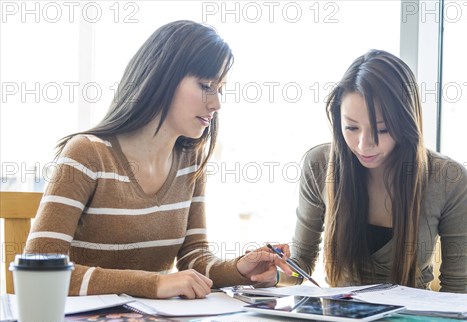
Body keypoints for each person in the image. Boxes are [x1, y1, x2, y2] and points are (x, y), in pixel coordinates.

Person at [24, 20, 292, 299]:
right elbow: (39, 269)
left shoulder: (189, 162)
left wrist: (240, 269)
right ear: (161, 76)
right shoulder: (86, 155)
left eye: (220, 89)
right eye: (205, 85)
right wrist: (153, 284)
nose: (216, 103)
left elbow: (194, 258)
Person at [287, 50, 467, 293]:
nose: (364, 145)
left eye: (382, 130)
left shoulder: (449, 178)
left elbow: (455, 289)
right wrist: (275, 274)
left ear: (406, 124)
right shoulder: (319, 165)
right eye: (351, 128)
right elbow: (300, 265)